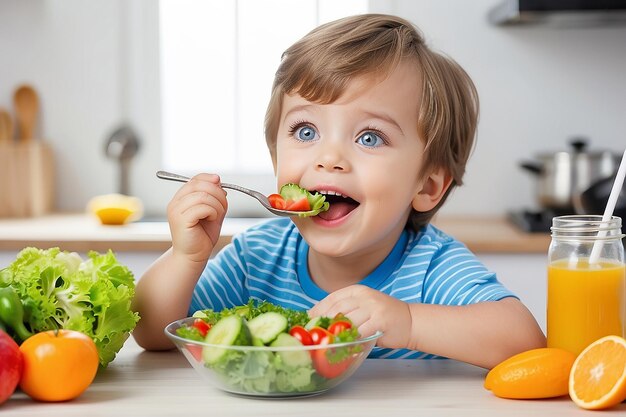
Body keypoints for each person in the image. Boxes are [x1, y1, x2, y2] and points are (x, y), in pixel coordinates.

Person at [132, 14, 545, 369]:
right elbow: (152, 333)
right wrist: (185, 257)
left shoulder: (431, 268)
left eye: (369, 138)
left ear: (428, 186)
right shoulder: (254, 258)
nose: (329, 158)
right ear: (277, 162)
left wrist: (409, 323)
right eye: (305, 131)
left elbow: (524, 340)